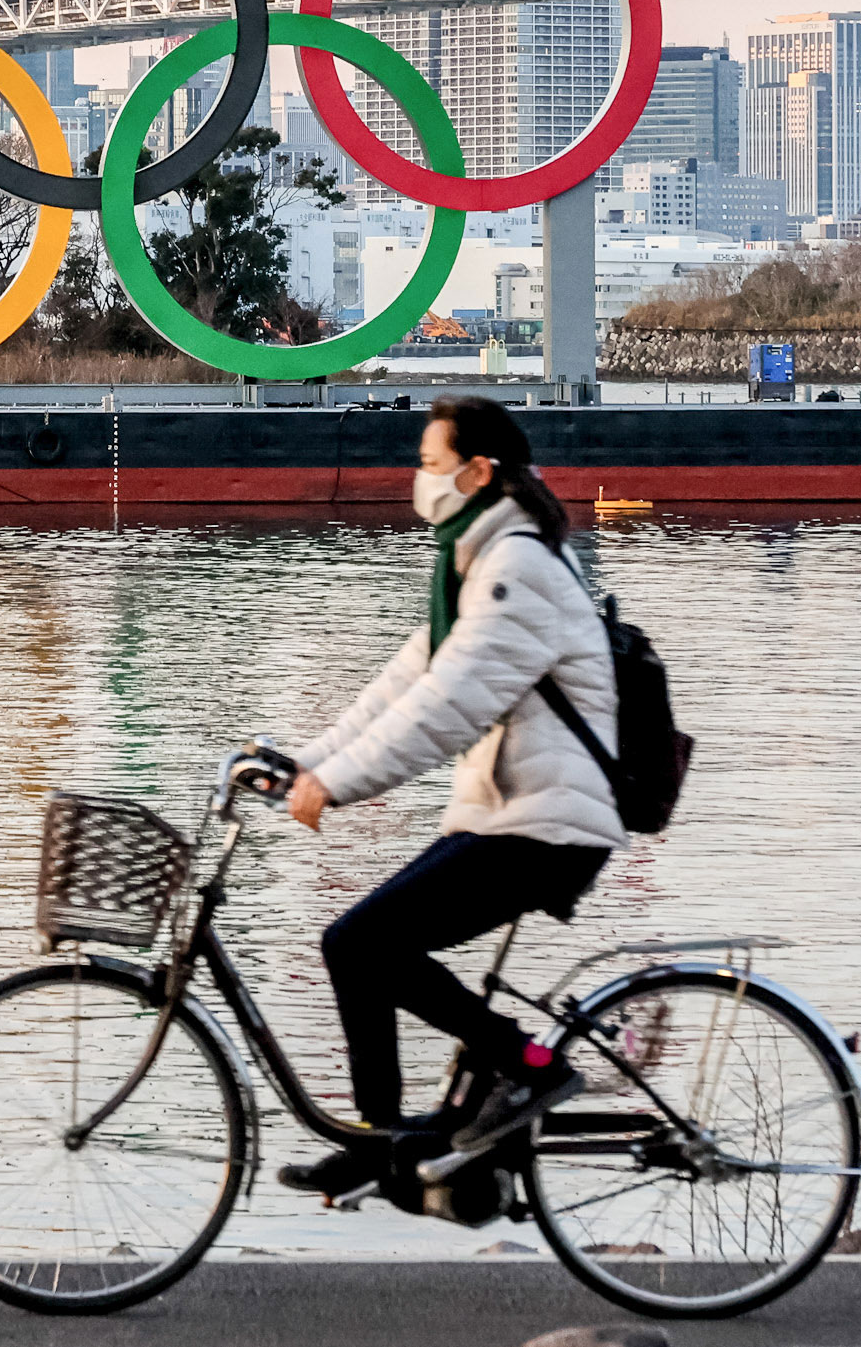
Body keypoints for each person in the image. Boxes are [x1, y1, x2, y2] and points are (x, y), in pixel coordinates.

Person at [277, 394, 623, 1200]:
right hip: (508, 813)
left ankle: (530, 1067)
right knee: (359, 945)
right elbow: (403, 684)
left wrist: (339, 782)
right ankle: (383, 1141)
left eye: (430, 463)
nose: (418, 478)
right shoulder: (477, 561)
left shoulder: (517, 570)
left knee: (360, 944)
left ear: (477, 471)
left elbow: (449, 706)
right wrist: (305, 760)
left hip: (547, 825)